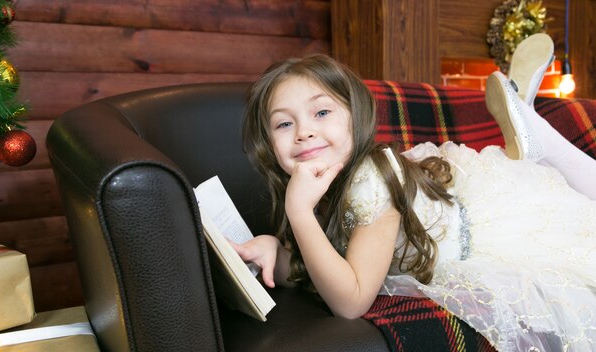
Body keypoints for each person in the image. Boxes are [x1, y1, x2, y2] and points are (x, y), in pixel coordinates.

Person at [233, 33, 596, 352]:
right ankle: (530, 131)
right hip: (458, 206)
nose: (303, 132)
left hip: (494, 231)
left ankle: (539, 133)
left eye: (322, 112)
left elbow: (351, 300)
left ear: (355, 118)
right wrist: (275, 254)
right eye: (284, 123)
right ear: (268, 144)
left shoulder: (371, 179)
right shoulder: (314, 184)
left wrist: (298, 214)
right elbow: (320, 261)